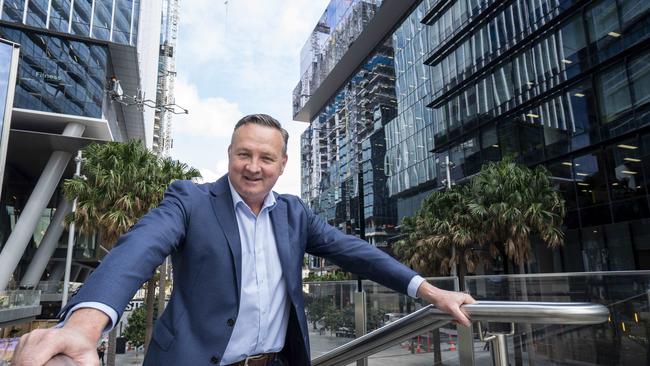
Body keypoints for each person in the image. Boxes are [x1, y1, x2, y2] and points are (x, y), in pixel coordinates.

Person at [13, 114, 475, 366]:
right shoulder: (190, 200)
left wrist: (430, 291)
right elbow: (139, 247)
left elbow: (359, 253)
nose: (254, 167)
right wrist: (83, 326)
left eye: (266, 158)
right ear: (230, 155)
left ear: (282, 164)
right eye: (244, 154)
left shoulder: (295, 214)